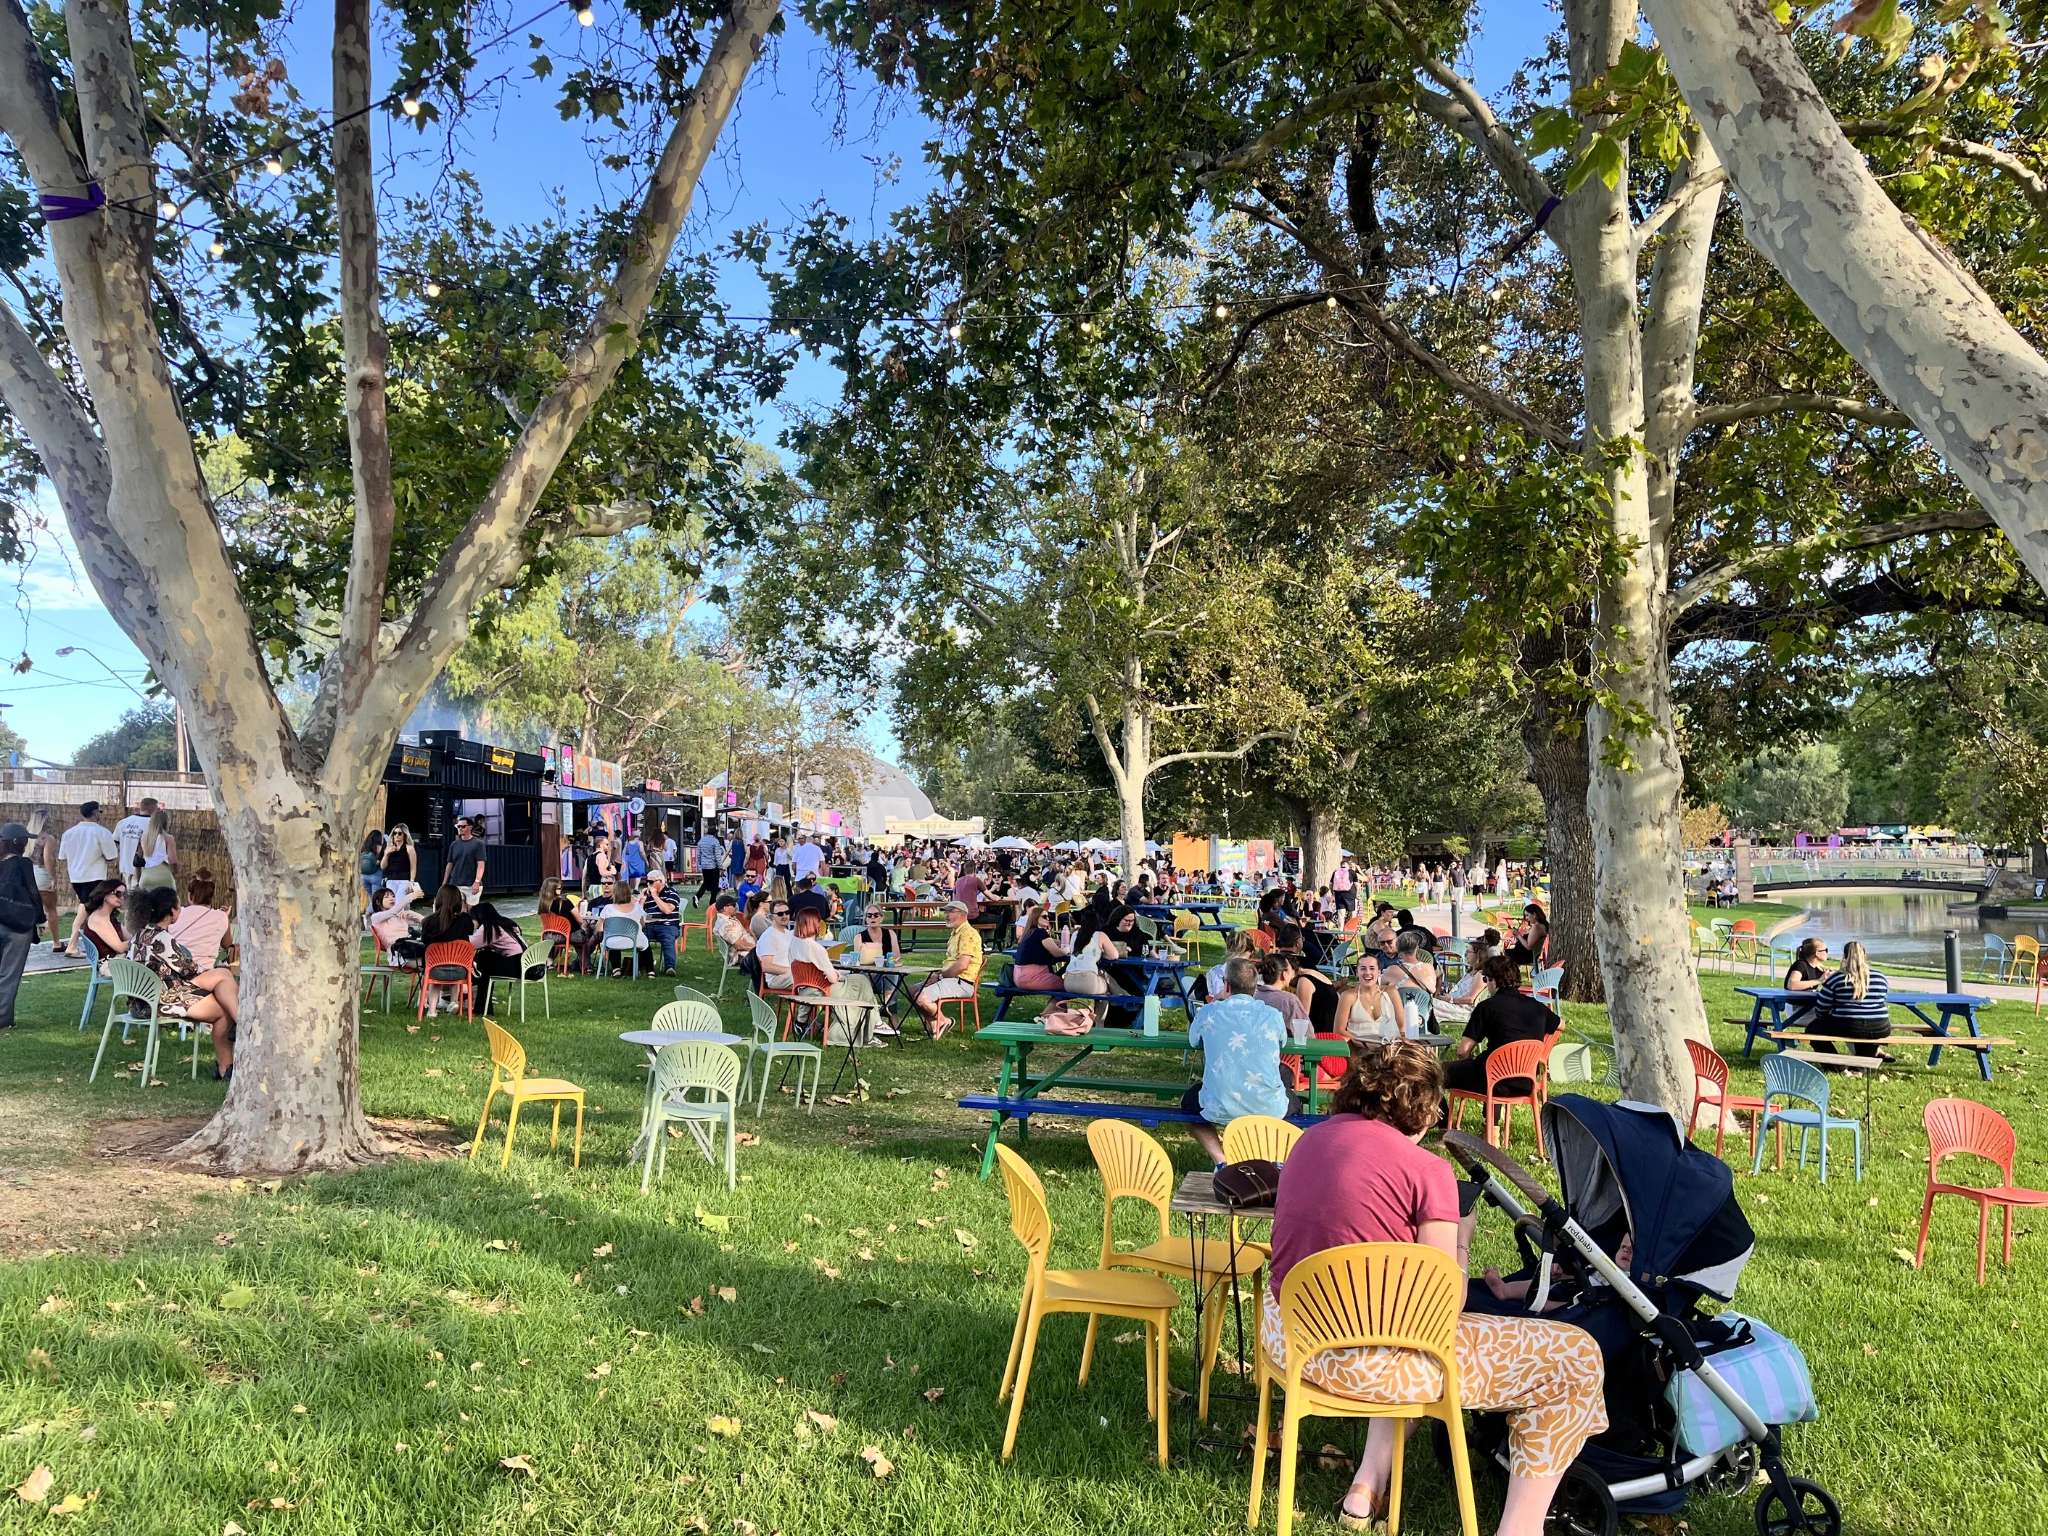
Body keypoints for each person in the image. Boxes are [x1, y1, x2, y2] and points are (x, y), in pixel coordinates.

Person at [1268, 1041, 1606, 1536]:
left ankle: (1365, 1489)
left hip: (1291, 1340)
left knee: (1399, 1328)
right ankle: (1521, 1529)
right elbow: (1444, 1302)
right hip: (1367, 1363)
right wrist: (1462, 1241)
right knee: (1576, 1358)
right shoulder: (1427, 1170)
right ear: (1424, 1108)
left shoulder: (1309, 1141)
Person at [1182, 956, 1295, 1163]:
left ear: (1226, 986)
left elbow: (1193, 1040)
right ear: (1255, 986)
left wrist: (1217, 1000)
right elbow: (1283, 1041)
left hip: (1219, 1104)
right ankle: (1272, 1157)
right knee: (1295, 1104)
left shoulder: (1209, 1012)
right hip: (1267, 1105)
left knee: (1189, 1102)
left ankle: (1221, 1160)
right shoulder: (1272, 1015)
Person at [127, 884, 242, 1078]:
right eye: (179, 907)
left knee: (223, 980)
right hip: (160, 1001)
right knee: (224, 1003)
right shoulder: (162, 938)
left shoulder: (138, 935)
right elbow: (187, 970)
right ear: (172, 911)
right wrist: (211, 970)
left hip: (139, 1001)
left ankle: (231, 1051)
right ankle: (229, 1059)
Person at [1445, 956, 1557, 1099]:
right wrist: (1541, 1048)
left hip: (1493, 1079)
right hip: (1526, 1082)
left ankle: (1437, 1113)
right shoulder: (1537, 1006)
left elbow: (1462, 1051)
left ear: (1494, 981)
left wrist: (1467, 1064)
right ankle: (1491, 1114)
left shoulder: (1486, 1007)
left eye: (1486, 979)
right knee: (1488, 1063)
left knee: (1432, 1072)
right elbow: (1560, 1025)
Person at [788, 908, 887, 1044]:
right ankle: (873, 1023)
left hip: (802, 988)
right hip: (822, 990)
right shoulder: (816, 948)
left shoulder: (794, 943)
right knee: (862, 983)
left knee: (860, 980)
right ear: (814, 924)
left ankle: (875, 1022)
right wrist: (836, 974)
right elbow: (832, 979)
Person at [911, 900, 983, 1039]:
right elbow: (950, 964)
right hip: (950, 979)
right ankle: (935, 1023)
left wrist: (939, 977)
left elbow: (962, 965)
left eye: (951, 911)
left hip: (962, 982)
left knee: (920, 997)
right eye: (946, 912)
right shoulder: (955, 933)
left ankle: (945, 1021)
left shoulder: (969, 934)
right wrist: (938, 975)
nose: (947, 915)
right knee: (911, 991)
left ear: (962, 914)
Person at [1807, 939, 1891, 1056]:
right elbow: (1883, 998)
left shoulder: (1837, 978)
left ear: (1845, 957)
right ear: (1865, 956)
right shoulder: (1880, 977)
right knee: (1865, 1033)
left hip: (1848, 1025)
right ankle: (1864, 1063)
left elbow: (1822, 1007)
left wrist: (1824, 1018)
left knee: (1812, 1030)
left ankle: (1835, 1064)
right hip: (1880, 1026)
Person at [58, 801, 119, 957]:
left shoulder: (68, 833)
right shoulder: (102, 832)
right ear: (94, 812)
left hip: (75, 878)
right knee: (87, 912)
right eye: (100, 812)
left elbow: (63, 856)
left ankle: (102, 944)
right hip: (95, 877)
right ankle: (72, 946)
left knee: (89, 911)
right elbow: (111, 856)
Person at [0, 823, 43, 1028]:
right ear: (18, 842)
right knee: (9, 974)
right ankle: (3, 1019)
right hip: (18, 925)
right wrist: (41, 919)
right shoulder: (22, 863)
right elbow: (33, 891)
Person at [419, 885, 477, 1011]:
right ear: (458, 901)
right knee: (455, 961)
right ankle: (453, 1002)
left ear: (438, 900)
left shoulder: (429, 922)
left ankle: (432, 1011)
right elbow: (470, 931)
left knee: (435, 980)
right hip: (461, 969)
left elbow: (425, 942)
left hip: (435, 969)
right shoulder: (465, 919)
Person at [167, 871, 233, 970]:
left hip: (175, 969)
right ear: (211, 897)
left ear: (190, 896)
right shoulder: (221, 917)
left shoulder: (177, 914)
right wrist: (223, 918)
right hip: (203, 971)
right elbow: (227, 945)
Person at [469, 902, 530, 1010]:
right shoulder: (506, 923)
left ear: (479, 917)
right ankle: (482, 1006)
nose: (473, 922)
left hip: (513, 965)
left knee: (482, 959)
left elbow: (470, 944)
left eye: (473, 919)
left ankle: (471, 987)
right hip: (524, 963)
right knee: (485, 959)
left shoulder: (490, 927)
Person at [1335, 954, 1403, 1042]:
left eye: (1372, 968)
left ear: (1379, 972)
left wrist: (1396, 1044)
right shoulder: (1349, 996)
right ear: (1357, 972)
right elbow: (1339, 1031)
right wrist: (1364, 1043)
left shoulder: (1390, 992)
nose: (1367, 972)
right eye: (1363, 968)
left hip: (1388, 1045)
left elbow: (1402, 1025)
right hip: (1357, 1045)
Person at [1010, 904, 1069, 992]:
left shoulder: (1029, 933)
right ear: (1036, 918)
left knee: (1062, 986)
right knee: (1069, 986)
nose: (1048, 919)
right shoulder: (1040, 932)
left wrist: (1061, 943)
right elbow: (1058, 953)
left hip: (1019, 976)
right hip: (1032, 977)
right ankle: (1055, 1001)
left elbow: (1054, 942)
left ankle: (1055, 1001)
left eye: (1048, 916)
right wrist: (1067, 949)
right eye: (1044, 917)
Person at [1254, 954, 1313, 1041]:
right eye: (1291, 970)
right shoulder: (1289, 1000)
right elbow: (1308, 1033)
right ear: (1284, 974)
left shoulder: (1253, 995)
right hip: (1283, 1048)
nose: (1293, 973)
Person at [26, 808, 60, 951]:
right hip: (41, 874)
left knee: (30, 908)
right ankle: (56, 943)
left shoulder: (27, 838)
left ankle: (28, 940)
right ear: (44, 821)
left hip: (28, 874)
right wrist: (54, 878)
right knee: (51, 909)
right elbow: (47, 860)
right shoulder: (47, 839)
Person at [640, 868, 684, 975]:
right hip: (649, 924)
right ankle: (641, 966)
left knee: (667, 940)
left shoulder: (671, 892)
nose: (648, 884)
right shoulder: (648, 895)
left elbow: (667, 910)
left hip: (667, 924)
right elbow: (639, 913)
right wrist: (642, 900)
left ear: (660, 881)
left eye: (651, 882)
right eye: (647, 881)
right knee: (639, 938)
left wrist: (655, 896)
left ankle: (670, 967)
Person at [370, 885, 425, 968]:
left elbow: (425, 921)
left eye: (393, 896)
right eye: (386, 897)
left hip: (412, 948)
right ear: (378, 902)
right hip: (397, 953)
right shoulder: (376, 917)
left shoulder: (399, 915)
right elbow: (391, 912)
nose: (391, 899)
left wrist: (410, 913)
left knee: (433, 958)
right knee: (431, 964)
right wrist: (409, 897)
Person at [78, 879, 128, 967]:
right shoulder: (99, 919)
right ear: (105, 895)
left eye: (125, 895)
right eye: (118, 894)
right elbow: (120, 947)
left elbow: (130, 938)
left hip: (117, 961)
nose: (122, 898)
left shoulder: (110, 918)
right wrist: (141, 942)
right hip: (109, 965)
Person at [1782, 937, 1829, 1024]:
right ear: (1817, 953)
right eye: (1825, 950)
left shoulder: (1818, 968)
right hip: (1797, 1011)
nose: (1827, 953)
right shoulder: (1801, 965)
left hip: (1808, 1008)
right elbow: (1792, 985)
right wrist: (1819, 981)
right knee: (1832, 1018)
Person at [755, 899, 795, 992]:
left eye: (787, 912)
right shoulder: (769, 937)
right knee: (810, 981)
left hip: (790, 974)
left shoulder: (788, 933)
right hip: (777, 978)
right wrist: (790, 970)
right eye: (780, 914)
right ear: (772, 916)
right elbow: (767, 967)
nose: (784, 916)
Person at [135, 806, 177, 892]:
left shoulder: (144, 838)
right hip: (163, 874)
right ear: (166, 822)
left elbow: (138, 861)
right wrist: (175, 871)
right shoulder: (168, 838)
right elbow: (173, 860)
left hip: (146, 876)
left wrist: (139, 880)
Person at [446, 817, 487, 905]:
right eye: (458, 826)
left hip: (470, 884)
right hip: (455, 883)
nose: (460, 828)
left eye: (463, 826)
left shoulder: (478, 844)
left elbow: (481, 865)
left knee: (471, 910)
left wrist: (477, 882)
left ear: (470, 827)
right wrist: (445, 882)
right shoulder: (454, 844)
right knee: (458, 909)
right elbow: (450, 864)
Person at [114, 796, 157, 879]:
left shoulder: (124, 822)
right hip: (144, 866)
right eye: (157, 809)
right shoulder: (153, 824)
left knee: (129, 885)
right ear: (152, 809)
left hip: (125, 866)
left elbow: (116, 841)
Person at [381, 824, 420, 911]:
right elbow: (383, 866)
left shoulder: (409, 848)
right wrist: (387, 854)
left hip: (403, 880)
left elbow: (413, 867)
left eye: (399, 833)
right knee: (391, 904)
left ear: (404, 835)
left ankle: (402, 917)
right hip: (391, 879)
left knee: (399, 903)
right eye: (394, 833)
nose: (396, 836)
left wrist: (411, 881)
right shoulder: (389, 848)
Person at [697, 827, 726, 907]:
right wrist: (720, 867)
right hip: (713, 866)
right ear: (715, 833)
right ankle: (712, 901)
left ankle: (697, 896)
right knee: (714, 884)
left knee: (706, 883)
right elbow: (717, 856)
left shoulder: (701, 840)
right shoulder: (715, 841)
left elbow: (698, 854)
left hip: (704, 865)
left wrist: (700, 863)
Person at [360, 829, 387, 908]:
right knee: (376, 898)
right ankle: (368, 913)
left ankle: (371, 913)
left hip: (364, 876)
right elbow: (379, 861)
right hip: (376, 875)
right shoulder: (379, 847)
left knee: (372, 897)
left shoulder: (364, 847)